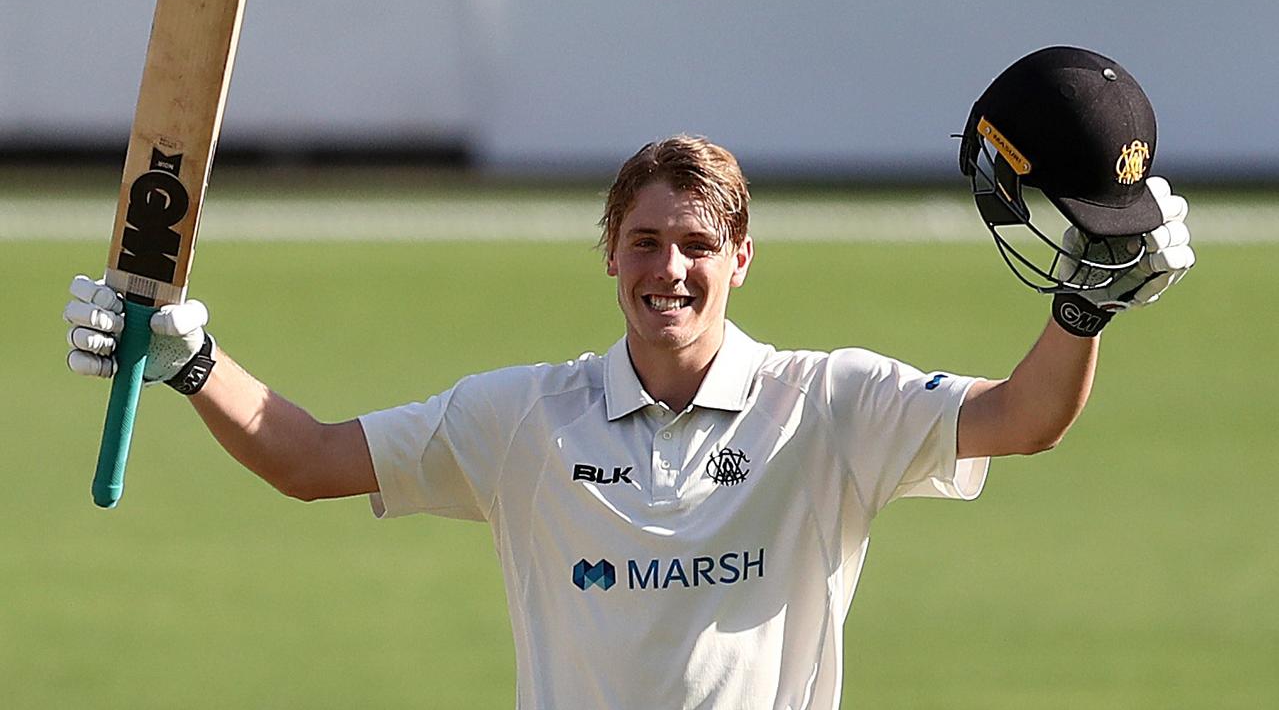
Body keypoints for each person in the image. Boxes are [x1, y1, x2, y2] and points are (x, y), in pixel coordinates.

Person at [63, 47, 1194, 709]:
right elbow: (307, 458)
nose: (671, 269)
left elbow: (1028, 414)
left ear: (740, 260)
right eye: (647, 241)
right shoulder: (516, 418)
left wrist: (1080, 308)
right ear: (610, 251)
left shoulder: (834, 402)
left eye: (698, 245)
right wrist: (192, 361)